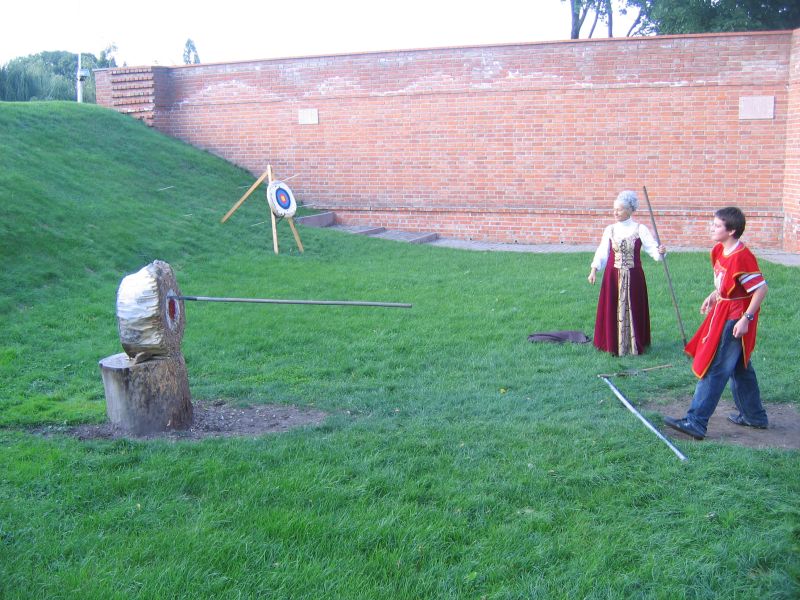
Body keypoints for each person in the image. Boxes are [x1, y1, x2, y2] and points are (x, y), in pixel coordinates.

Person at [664, 207, 768, 440]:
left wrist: (746, 318)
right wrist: (715, 295)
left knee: (716, 366)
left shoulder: (741, 257)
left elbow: (761, 289)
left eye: (717, 225)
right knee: (739, 367)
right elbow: (727, 282)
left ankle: (696, 422)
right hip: (725, 309)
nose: (712, 228)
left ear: (731, 231)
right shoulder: (719, 250)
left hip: (736, 317)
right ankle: (754, 416)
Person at [588, 190, 666, 356]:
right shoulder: (610, 229)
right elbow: (603, 251)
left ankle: (634, 343)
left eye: (620, 209)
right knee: (612, 307)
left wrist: (661, 252)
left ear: (630, 210)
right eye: (614, 209)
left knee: (634, 307)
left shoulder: (640, 229)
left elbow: (653, 250)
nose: (615, 212)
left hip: (634, 276)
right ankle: (612, 343)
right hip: (612, 276)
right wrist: (594, 269)